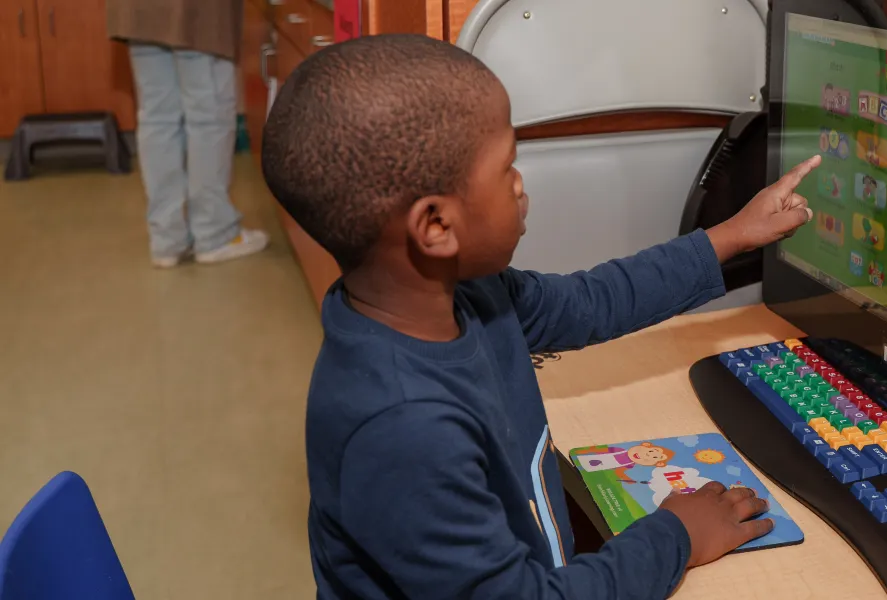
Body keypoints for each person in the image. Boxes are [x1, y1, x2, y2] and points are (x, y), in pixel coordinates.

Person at [259, 34, 821, 599]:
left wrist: (732, 235)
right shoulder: (402, 429)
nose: (520, 182)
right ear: (435, 226)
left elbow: (590, 301)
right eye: (507, 166)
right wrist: (677, 535)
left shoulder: (465, 297)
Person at [108, 0, 269, 267]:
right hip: (195, 13)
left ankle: (166, 239)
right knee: (209, 115)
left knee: (157, 117)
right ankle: (214, 233)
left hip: (138, 10)